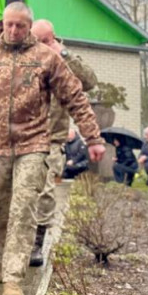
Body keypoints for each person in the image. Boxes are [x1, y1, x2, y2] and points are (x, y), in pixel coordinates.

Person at [0, 2, 105, 295]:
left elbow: (76, 97)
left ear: (29, 28)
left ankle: (14, 277)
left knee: (23, 208)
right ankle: (3, 259)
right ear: (2, 24)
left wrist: (93, 137)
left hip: (33, 144)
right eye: (9, 24)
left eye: (20, 26)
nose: (14, 31)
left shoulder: (46, 58)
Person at [29, 18, 98, 266]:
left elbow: (89, 81)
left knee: (45, 191)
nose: (41, 46)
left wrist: (64, 55)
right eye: (37, 41)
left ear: (54, 38)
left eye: (45, 41)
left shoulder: (64, 61)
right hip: (25, 137)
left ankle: (37, 244)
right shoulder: (28, 58)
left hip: (52, 138)